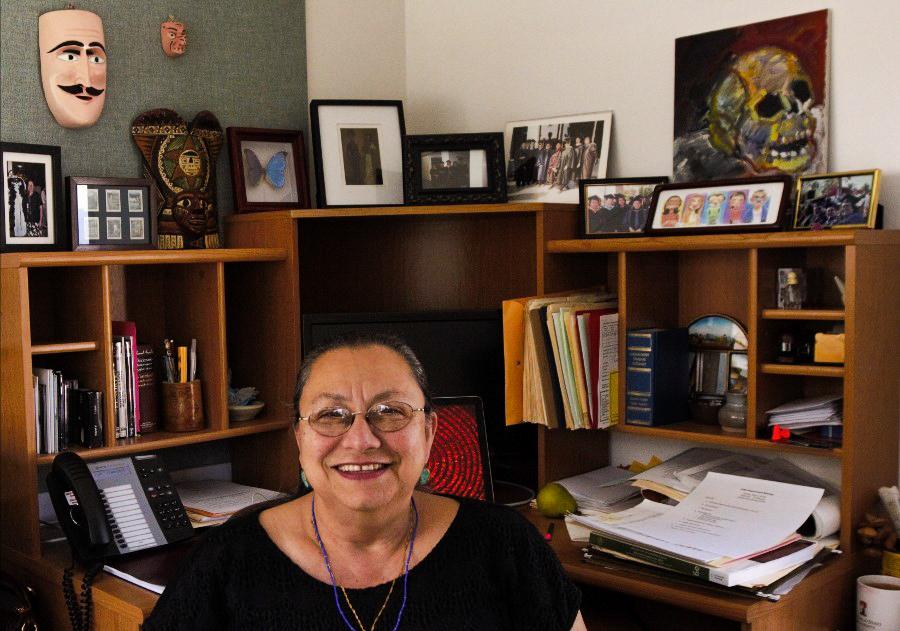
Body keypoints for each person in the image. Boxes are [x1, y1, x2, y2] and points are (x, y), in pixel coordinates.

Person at [144, 333, 586, 631]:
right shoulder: (230, 558)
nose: (361, 439)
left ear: (430, 431)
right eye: (330, 415)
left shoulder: (505, 544)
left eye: (390, 411)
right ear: (300, 437)